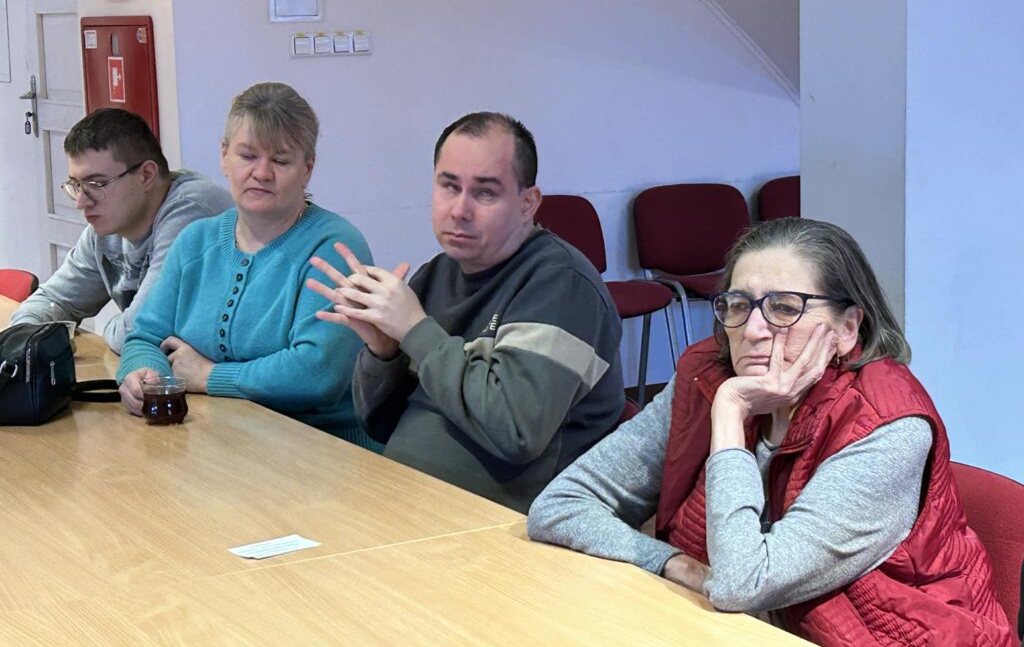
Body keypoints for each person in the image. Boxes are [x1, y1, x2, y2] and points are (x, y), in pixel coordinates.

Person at [528, 218, 1015, 646]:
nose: (754, 329)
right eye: (738, 305)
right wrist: (671, 562)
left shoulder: (887, 429)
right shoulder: (704, 377)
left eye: (784, 308)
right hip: (732, 629)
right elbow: (560, 506)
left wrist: (730, 414)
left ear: (848, 327)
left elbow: (741, 583)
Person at [308, 112, 624, 511]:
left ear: (527, 204)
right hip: (405, 501)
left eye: (485, 192)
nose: (460, 209)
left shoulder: (561, 284)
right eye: (449, 186)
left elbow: (516, 431)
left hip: (506, 526)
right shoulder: (435, 274)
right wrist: (384, 353)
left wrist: (416, 331)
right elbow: (379, 425)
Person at [116, 82, 375, 447]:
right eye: (248, 156)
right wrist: (142, 375)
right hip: (214, 441)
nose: (262, 173)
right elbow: (145, 337)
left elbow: (316, 374)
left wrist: (210, 376)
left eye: (281, 161)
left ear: (307, 169)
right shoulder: (195, 241)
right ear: (224, 156)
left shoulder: (336, 247)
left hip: (323, 447)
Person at [9, 108, 232, 353]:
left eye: (97, 184)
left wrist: (108, 328)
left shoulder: (193, 212)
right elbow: (52, 300)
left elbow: (138, 333)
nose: (81, 202)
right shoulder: (108, 226)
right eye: (76, 184)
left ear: (146, 175)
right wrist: (25, 339)